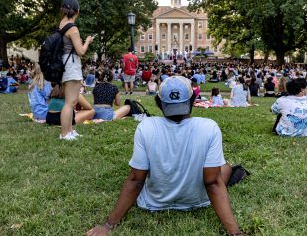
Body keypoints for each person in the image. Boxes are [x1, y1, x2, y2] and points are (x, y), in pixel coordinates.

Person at [87, 76, 247, 236]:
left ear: (160, 102)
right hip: (198, 201)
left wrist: (108, 225)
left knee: (222, 168)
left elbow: (136, 180)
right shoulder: (209, 127)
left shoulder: (146, 127)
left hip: (153, 202)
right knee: (224, 168)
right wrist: (236, 233)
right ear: (192, 99)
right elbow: (213, 183)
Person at [59, 0, 94, 140]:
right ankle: (65, 133)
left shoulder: (61, 24)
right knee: (70, 102)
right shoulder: (73, 28)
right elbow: (81, 51)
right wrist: (87, 41)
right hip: (71, 64)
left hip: (63, 63)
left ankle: (69, 130)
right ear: (77, 12)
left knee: (70, 101)